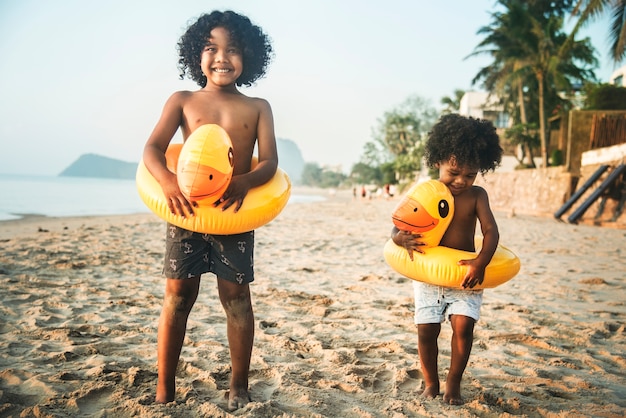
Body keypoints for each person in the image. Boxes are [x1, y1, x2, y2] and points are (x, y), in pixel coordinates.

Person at [142, 10, 276, 410]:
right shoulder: (182, 101)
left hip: (233, 214)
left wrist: (243, 182)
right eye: (212, 48)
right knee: (177, 298)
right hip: (186, 213)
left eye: (233, 50)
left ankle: (238, 385)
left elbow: (268, 162)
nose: (222, 57)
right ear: (196, 55)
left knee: (236, 298)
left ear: (247, 57)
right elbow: (152, 149)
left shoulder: (257, 107)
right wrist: (167, 182)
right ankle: (164, 387)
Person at [391, 114, 503, 405]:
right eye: (454, 172)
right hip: (429, 276)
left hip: (465, 275)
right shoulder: (427, 192)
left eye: (470, 174)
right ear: (438, 160)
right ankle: (431, 382)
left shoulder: (477, 196)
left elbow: (491, 231)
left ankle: (454, 383)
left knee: (464, 327)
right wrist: (399, 238)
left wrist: (480, 262)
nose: (461, 181)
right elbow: (398, 226)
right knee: (427, 331)